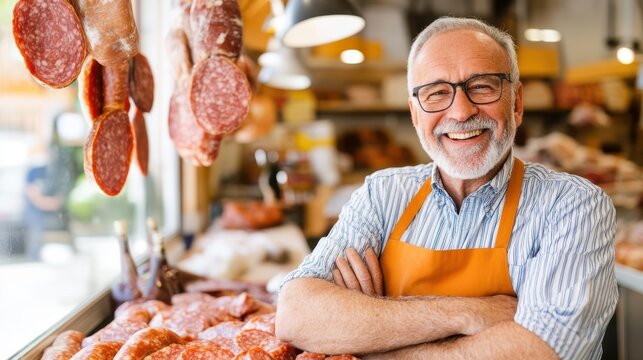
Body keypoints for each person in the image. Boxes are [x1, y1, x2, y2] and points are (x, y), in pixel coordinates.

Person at [276, 17, 617, 360]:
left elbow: (541, 350)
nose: (461, 111)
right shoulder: (382, 195)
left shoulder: (573, 205)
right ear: (415, 113)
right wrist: (470, 313)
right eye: (437, 93)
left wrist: (372, 340)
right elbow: (295, 315)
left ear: (516, 101)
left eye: (482, 86)